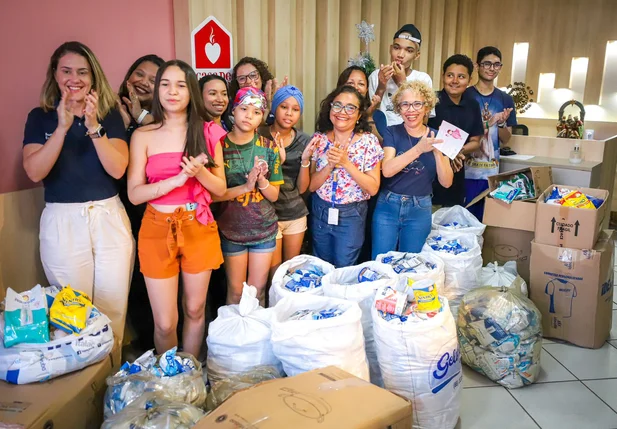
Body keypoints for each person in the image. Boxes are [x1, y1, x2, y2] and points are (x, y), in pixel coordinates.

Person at [22, 41, 133, 344]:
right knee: (73, 313)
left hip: (109, 217)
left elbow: (118, 168)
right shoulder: (40, 116)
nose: (75, 78)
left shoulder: (108, 115)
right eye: (67, 70)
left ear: (93, 77)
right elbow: (34, 171)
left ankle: (110, 381)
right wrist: (61, 127)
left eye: (82, 72)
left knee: (113, 309)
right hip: (63, 222)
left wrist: (93, 125)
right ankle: (82, 386)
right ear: (55, 75)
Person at [127, 60, 227, 356]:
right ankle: (168, 381)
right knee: (165, 323)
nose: (172, 91)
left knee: (195, 309)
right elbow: (134, 194)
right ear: (158, 90)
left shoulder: (207, 131)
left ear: (191, 91)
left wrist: (199, 174)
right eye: (165, 84)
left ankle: (190, 373)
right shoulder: (142, 136)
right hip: (157, 227)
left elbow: (220, 188)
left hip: (198, 223)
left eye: (181, 85)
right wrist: (177, 180)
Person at [213, 87, 284, 305]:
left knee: (257, 291)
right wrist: (246, 185)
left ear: (262, 117)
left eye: (256, 112)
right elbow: (213, 194)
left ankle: (256, 338)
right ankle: (233, 338)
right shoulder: (219, 145)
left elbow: (274, 196)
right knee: (235, 292)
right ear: (233, 111)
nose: (248, 116)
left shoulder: (268, 147)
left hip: (263, 230)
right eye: (243, 109)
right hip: (231, 230)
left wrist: (261, 181)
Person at [372, 81, 453, 257]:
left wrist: (438, 153)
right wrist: (419, 149)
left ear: (426, 107)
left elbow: (446, 182)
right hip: (388, 205)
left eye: (417, 104)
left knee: (412, 263)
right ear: (398, 109)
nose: (411, 110)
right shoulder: (391, 132)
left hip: (420, 208)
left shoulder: (438, 136)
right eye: (405, 104)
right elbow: (386, 170)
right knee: (380, 261)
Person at [117, 54, 164, 351]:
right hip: (120, 209)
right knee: (133, 278)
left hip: (157, 209)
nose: (144, 82)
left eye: (153, 79)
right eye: (139, 74)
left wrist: (138, 118)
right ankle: (147, 344)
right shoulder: (108, 112)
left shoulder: (165, 118)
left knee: (160, 278)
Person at [309, 85, 383, 268]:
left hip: (352, 214)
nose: (342, 112)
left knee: (344, 267)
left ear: (359, 115)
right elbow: (311, 186)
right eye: (337, 105)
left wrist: (346, 163)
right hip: (321, 210)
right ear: (330, 109)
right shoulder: (319, 139)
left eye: (351, 107)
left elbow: (373, 188)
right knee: (320, 266)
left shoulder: (368, 141)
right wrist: (330, 165)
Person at [258, 86, 316, 278]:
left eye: (295, 109)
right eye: (284, 107)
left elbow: (302, 188)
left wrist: (306, 160)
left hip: (294, 214)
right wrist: (277, 161)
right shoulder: (259, 134)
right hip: (266, 214)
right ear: (274, 108)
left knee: (290, 272)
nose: (289, 113)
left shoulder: (304, 140)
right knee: (272, 275)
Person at [465, 47, 517, 219]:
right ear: (477, 65)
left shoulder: (505, 99)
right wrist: (490, 121)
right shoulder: (466, 95)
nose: (492, 68)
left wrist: (501, 122)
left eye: (496, 65)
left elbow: (506, 139)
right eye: (487, 63)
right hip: (465, 170)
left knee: (486, 219)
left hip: (490, 173)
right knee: (464, 218)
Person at [429, 54, 484, 208]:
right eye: (450, 75)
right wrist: (448, 152)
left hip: (458, 174)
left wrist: (457, 150)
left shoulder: (472, 105)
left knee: (453, 222)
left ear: (469, 80)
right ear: (443, 77)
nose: (454, 81)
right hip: (431, 175)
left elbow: (476, 142)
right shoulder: (432, 102)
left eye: (461, 76)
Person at [368, 24, 433, 126]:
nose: (400, 55)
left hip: (409, 136)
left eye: (409, 51)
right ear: (390, 49)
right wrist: (381, 87)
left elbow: (424, 122)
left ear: (417, 55)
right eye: (396, 48)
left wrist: (403, 84)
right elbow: (370, 117)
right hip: (381, 135)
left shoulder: (423, 79)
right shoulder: (376, 75)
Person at [118, 55, 165, 135]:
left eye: (153, 81)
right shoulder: (112, 106)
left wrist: (140, 116)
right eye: (139, 74)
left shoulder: (166, 120)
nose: (143, 82)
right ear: (129, 76)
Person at [337, 66, 382, 138]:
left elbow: (382, 145)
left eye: (361, 84)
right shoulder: (335, 111)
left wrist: (369, 116)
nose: (356, 87)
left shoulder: (378, 115)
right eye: (350, 83)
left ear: (367, 89)